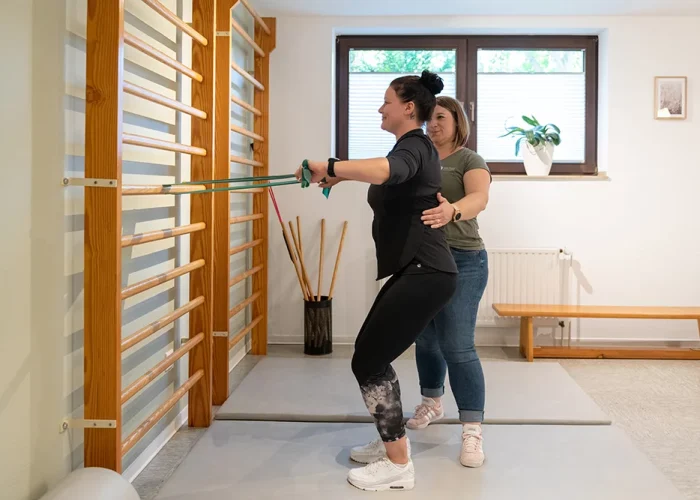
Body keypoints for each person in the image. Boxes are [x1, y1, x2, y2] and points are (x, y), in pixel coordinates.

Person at [294, 70, 458, 492]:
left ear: (408, 107)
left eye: (386, 101)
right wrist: (339, 176)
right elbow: (391, 179)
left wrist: (329, 164)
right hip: (418, 270)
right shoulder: (409, 148)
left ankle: (399, 462)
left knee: (367, 359)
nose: (380, 108)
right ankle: (392, 443)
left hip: (427, 272)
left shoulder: (415, 146)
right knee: (369, 355)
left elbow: (389, 172)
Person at [404, 95, 491, 468]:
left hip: (464, 259)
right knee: (426, 339)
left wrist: (451, 209)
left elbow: (479, 197)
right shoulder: (417, 157)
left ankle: (471, 429)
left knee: (457, 345)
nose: (433, 124)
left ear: (457, 121)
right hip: (423, 260)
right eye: (429, 118)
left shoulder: (468, 160)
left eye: (441, 117)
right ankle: (432, 402)